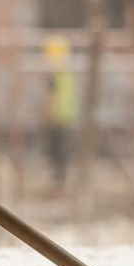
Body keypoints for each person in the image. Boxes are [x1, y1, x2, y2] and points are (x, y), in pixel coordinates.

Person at [41, 35, 79, 189]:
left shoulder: (55, 73)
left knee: (57, 152)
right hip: (67, 117)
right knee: (62, 153)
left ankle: (58, 181)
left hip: (56, 118)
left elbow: (50, 97)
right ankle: (60, 180)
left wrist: (45, 114)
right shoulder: (67, 72)